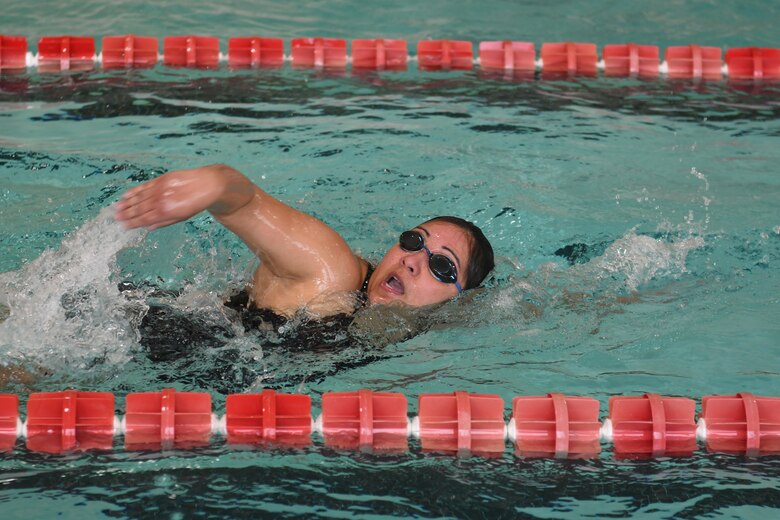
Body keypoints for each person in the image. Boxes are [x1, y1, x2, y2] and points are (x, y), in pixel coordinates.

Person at [115, 164, 494, 320]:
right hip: (118, 328)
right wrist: (213, 184)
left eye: (442, 266)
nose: (413, 260)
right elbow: (245, 200)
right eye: (414, 241)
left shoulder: (438, 326)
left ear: (460, 299)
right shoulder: (334, 273)